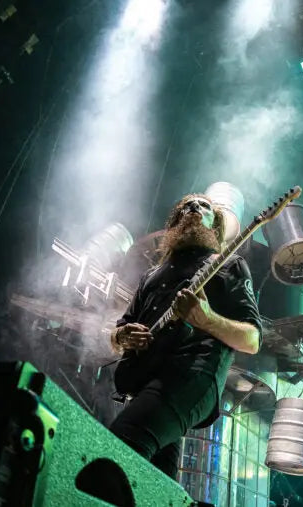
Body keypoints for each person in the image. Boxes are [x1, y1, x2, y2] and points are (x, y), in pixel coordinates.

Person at [108, 193, 262, 478]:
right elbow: (121, 328)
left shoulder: (229, 264)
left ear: (214, 225)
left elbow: (252, 340)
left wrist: (206, 318)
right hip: (147, 381)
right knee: (154, 480)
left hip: (192, 374)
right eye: (186, 206)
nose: (193, 206)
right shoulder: (151, 276)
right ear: (175, 224)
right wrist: (121, 337)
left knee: (119, 446)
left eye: (204, 205)